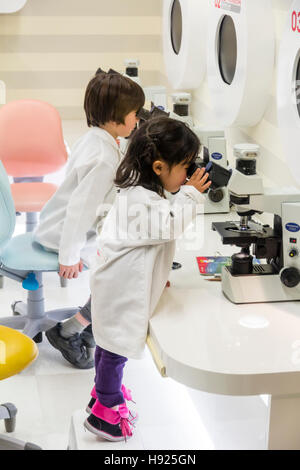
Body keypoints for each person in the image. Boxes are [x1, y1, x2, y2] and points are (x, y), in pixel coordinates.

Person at [84, 117, 211, 441]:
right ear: (158, 166)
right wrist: (193, 195)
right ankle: (106, 414)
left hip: (114, 281)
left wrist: (157, 275)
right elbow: (167, 225)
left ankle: (101, 394)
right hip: (119, 288)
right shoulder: (142, 199)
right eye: (184, 167)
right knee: (115, 350)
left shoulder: (137, 188)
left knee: (108, 344)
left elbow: (149, 241)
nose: (187, 174)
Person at [33, 69, 145, 369]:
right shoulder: (103, 157)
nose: (138, 119)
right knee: (123, 275)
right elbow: (80, 211)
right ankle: (69, 331)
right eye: (135, 113)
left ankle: (92, 325)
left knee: (126, 262)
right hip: (64, 235)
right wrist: (69, 256)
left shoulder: (100, 139)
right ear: (115, 117)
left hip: (63, 225)